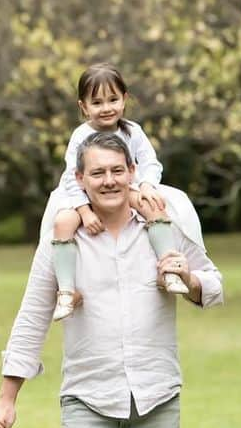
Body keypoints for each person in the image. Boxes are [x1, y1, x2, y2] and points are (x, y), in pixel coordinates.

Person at [0, 132, 223, 428]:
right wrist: (6, 400)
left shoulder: (164, 225)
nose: (109, 180)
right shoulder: (61, 241)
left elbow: (214, 285)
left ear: (132, 171)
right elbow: (32, 317)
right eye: (97, 173)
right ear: (80, 180)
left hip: (156, 398)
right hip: (88, 401)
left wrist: (187, 278)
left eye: (116, 170)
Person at [47, 63, 186, 321]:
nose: (106, 107)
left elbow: (149, 162)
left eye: (113, 99)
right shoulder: (80, 136)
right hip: (83, 193)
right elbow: (70, 177)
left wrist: (146, 185)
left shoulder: (132, 131)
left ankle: (169, 270)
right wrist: (85, 212)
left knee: (154, 206)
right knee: (62, 222)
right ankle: (66, 290)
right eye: (97, 102)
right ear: (83, 107)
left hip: (125, 187)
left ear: (125, 99)